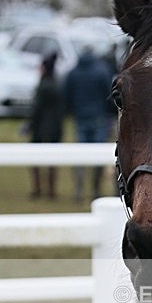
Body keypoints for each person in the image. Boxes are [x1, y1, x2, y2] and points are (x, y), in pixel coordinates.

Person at [64, 45, 114, 202]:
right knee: (99, 156)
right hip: (99, 118)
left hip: (80, 118)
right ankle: (95, 190)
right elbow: (110, 94)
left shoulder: (73, 72)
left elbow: (66, 95)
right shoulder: (102, 71)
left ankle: (79, 189)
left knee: (80, 156)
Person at [27, 52, 64, 199]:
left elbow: (37, 108)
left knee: (36, 159)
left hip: (40, 127)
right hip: (55, 125)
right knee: (52, 160)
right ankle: (51, 189)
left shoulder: (43, 85)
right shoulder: (57, 83)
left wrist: (30, 124)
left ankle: (38, 188)